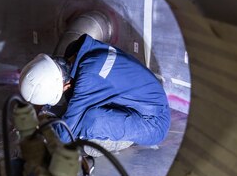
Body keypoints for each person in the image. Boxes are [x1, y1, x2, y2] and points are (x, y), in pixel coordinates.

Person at [19, 34, 171, 153]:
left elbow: (63, 136)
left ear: (64, 84)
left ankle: (125, 138)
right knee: (73, 106)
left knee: (89, 123)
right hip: (141, 102)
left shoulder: (89, 77)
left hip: (154, 123)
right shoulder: (76, 52)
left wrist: (37, 137)